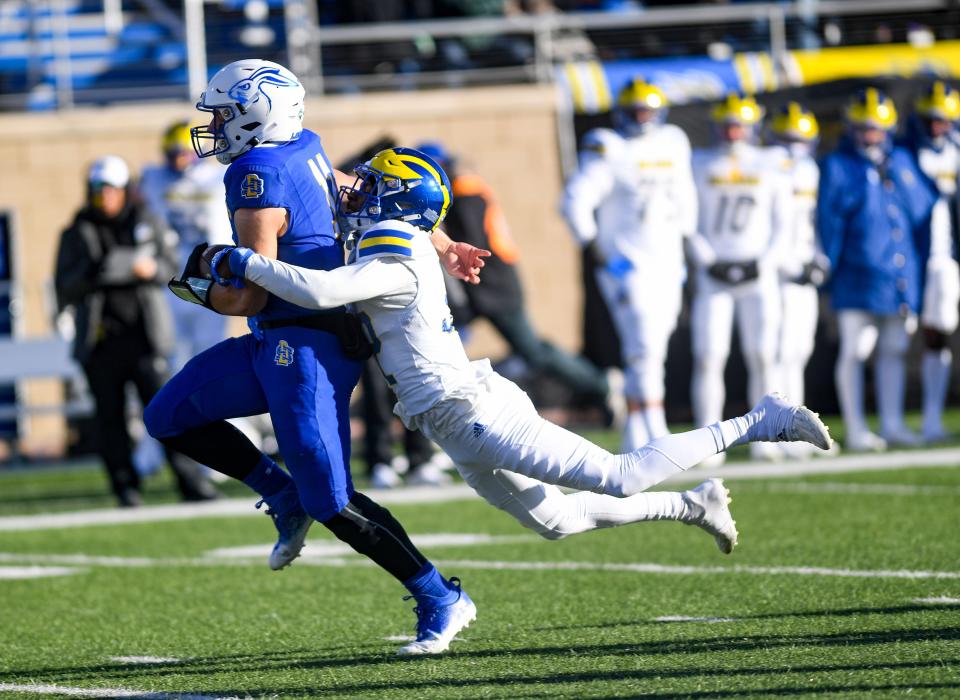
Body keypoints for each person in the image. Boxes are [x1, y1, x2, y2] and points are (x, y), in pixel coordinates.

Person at [207, 146, 833, 579]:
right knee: (557, 521)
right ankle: (693, 506)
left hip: (467, 407)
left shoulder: (392, 250)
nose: (358, 190)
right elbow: (356, 207)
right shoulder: (392, 237)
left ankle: (761, 420)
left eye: (374, 186)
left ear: (396, 202)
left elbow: (317, 291)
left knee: (620, 475)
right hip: (446, 416)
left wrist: (239, 261)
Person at [143, 60, 488, 655]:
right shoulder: (304, 143)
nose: (218, 126)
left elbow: (248, 290)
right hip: (275, 340)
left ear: (257, 113)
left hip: (308, 348)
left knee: (330, 499)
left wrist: (198, 283)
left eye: (225, 114)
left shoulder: (254, 172)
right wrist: (443, 239)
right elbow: (369, 191)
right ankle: (279, 494)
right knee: (168, 415)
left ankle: (439, 595)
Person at [54, 155, 220, 507]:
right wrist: (97, 273)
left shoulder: (148, 221)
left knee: (168, 411)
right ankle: (125, 488)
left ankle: (191, 482)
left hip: (145, 338)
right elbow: (64, 285)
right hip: (100, 342)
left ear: (124, 190)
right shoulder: (76, 231)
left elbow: (171, 265)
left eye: (111, 189)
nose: (105, 197)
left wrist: (148, 269)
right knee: (110, 420)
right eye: (98, 190)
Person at [561, 79, 696, 451]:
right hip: (627, 263)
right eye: (635, 111)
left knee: (657, 346)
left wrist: (686, 239)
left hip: (667, 261)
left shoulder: (673, 142)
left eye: (647, 111)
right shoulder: (609, 146)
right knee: (644, 344)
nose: (641, 119)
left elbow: (685, 196)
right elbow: (574, 200)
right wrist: (595, 247)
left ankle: (642, 423)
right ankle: (649, 425)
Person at [818, 87, 946, 452]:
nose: (869, 135)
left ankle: (892, 423)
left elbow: (923, 212)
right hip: (856, 272)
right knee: (855, 350)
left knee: (894, 347)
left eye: (876, 128)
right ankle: (855, 427)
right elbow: (830, 220)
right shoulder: (838, 165)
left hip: (899, 274)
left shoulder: (902, 161)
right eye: (863, 127)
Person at [687, 93, 793, 464]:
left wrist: (763, 264)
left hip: (757, 274)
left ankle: (767, 436)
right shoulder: (698, 163)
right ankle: (707, 441)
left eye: (739, 124)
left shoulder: (772, 162)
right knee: (708, 356)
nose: (733, 132)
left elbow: (785, 223)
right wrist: (707, 259)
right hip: (715, 273)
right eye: (727, 124)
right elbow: (686, 218)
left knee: (763, 355)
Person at [767, 102, 828, 458]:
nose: (793, 147)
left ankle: (799, 428)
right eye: (786, 139)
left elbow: (812, 224)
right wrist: (786, 263)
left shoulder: (810, 172)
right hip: (777, 273)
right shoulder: (769, 172)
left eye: (800, 140)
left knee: (800, 351)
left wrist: (818, 258)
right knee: (778, 352)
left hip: (804, 269)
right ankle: (776, 429)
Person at [900, 81, 960, 443]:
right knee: (934, 333)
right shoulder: (906, 154)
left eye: (945, 120)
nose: (939, 127)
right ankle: (930, 418)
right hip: (931, 256)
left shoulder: (954, 151)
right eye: (933, 120)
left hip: (950, 253)